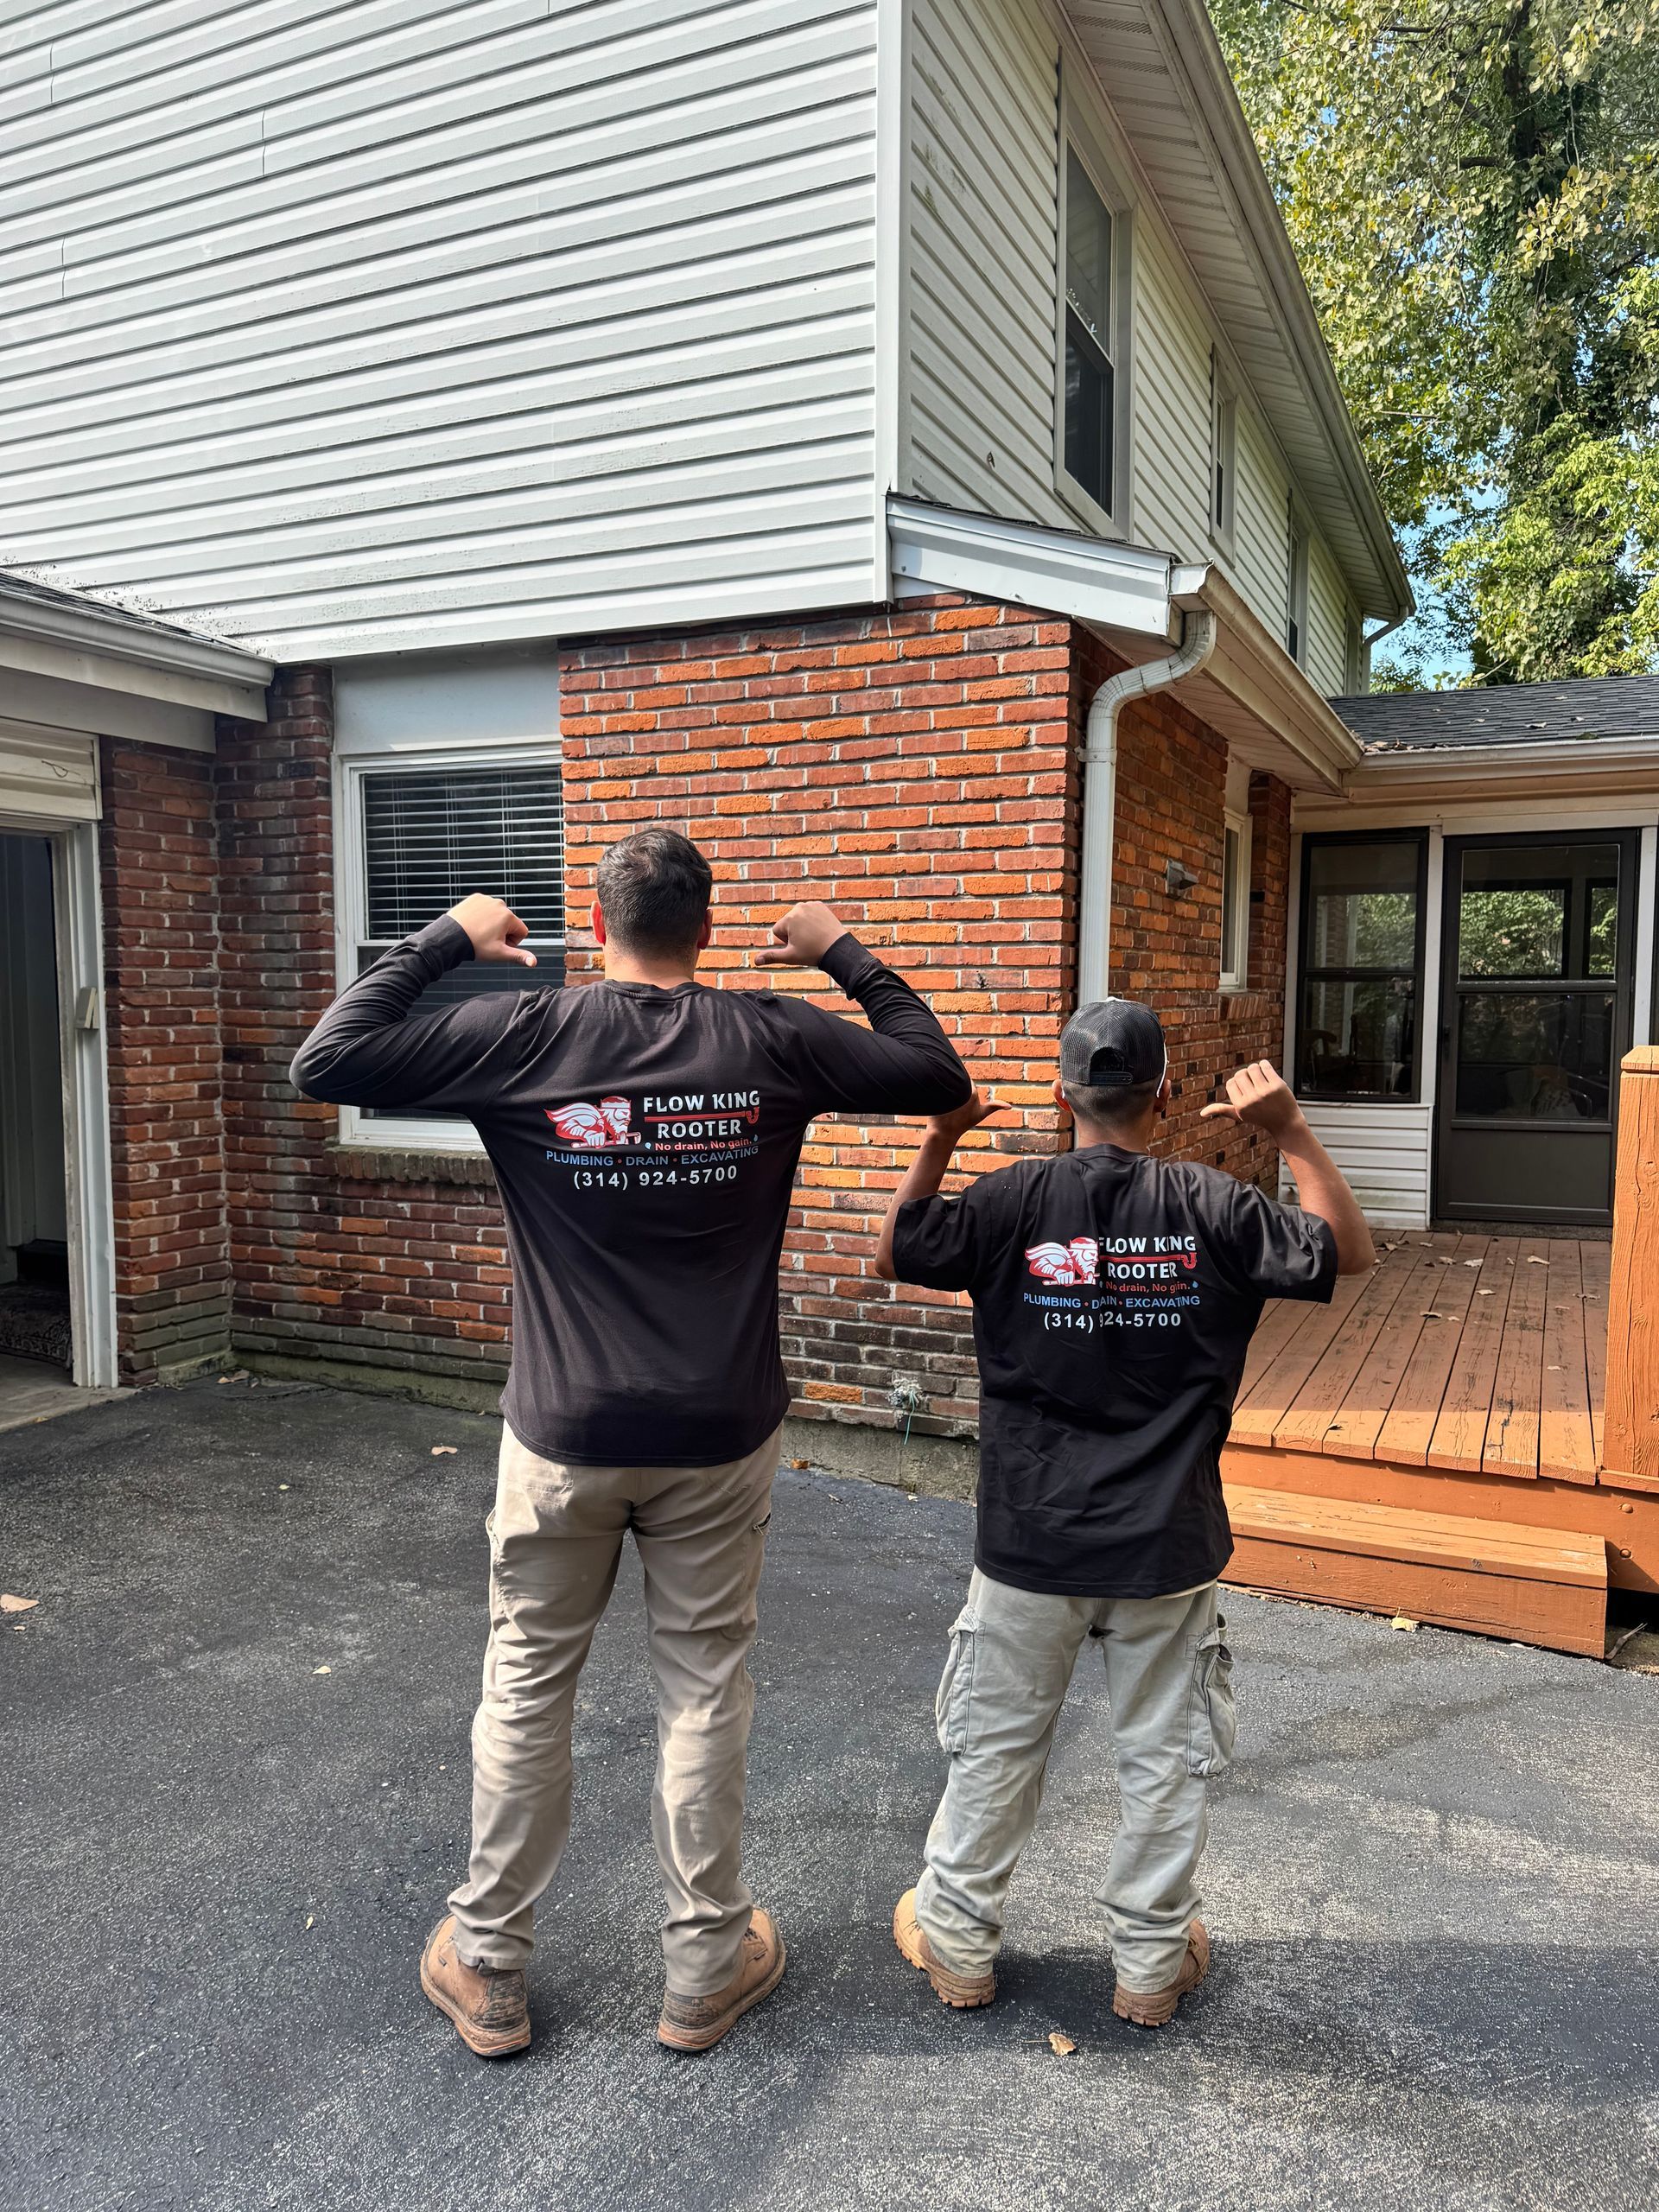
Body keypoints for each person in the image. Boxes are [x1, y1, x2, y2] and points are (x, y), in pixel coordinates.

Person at [290, 829, 970, 2057]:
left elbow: (328, 1058)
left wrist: (449, 937)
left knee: (527, 1682)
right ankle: (705, 1967)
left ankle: (490, 1963)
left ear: (596, 924)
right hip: (718, 1430)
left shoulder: (528, 1033)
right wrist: (841, 954)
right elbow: (935, 1072)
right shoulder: (766, 1034)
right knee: (703, 1686)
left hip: (564, 1434)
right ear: (707, 930)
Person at [873, 1001, 1374, 2027]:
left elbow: (892, 1252)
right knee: (1163, 1756)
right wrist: (1288, 1129)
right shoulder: (1215, 1205)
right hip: (1168, 1542)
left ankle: (959, 1943)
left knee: (997, 1746)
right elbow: (1349, 1252)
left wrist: (942, 1132)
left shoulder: (1011, 1198)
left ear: (1062, 1096)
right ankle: (1149, 1966)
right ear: (1161, 1096)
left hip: (1029, 1541)